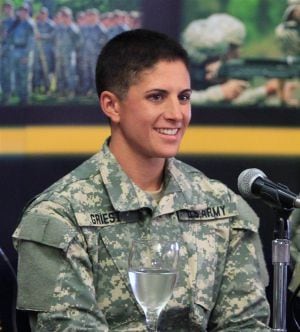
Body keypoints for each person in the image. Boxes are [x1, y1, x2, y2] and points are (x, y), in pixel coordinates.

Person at [13, 29, 271, 331]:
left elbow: (246, 326)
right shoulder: (56, 217)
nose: (177, 114)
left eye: (184, 97)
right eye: (157, 97)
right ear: (112, 105)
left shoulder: (224, 206)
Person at [182, 14, 282, 106]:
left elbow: (236, 102)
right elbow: (176, 98)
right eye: (232, 47)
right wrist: (219, 93)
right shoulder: (185, 70)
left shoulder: (224, 73)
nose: (238, 52)